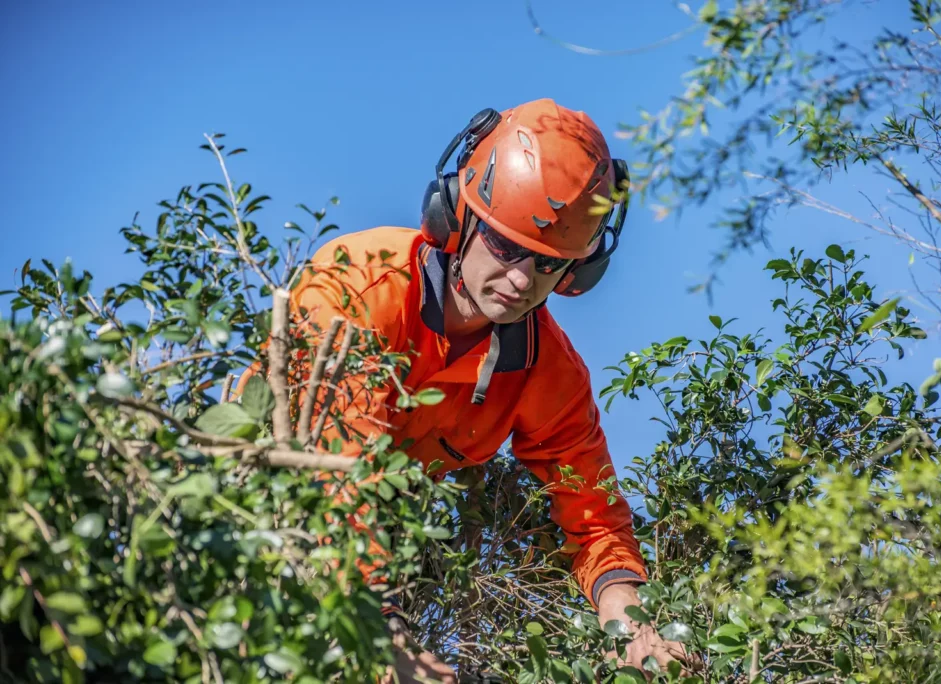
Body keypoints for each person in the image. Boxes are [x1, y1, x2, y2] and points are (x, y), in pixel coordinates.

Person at [247, 98, 701, 682]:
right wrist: (383, 636)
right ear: (457, 214)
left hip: (386, 555)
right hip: (266, 509)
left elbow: (596, 522)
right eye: (508, 247)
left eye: (548, 264)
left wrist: (633, 627)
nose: (520, 280)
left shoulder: (548, 368)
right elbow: (337, 471)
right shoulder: (359, 285)